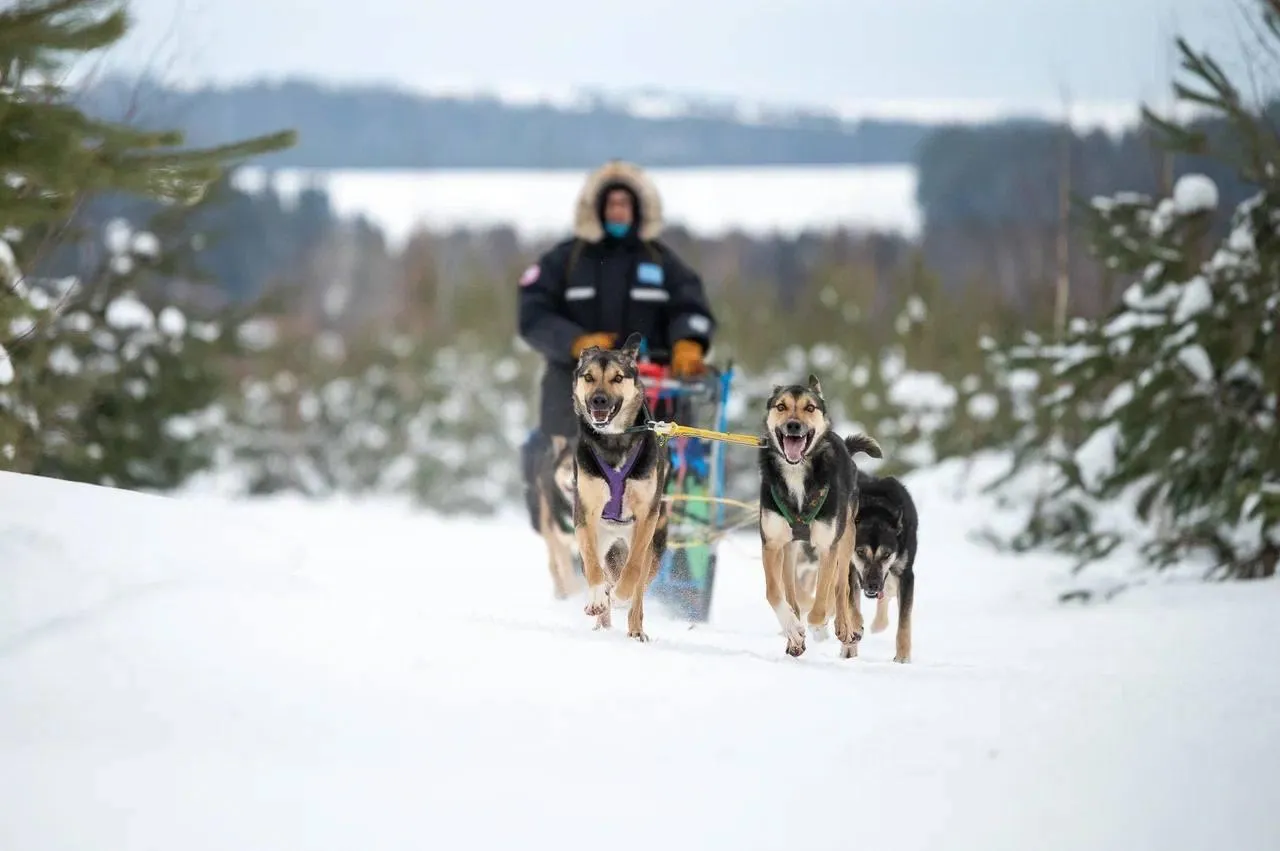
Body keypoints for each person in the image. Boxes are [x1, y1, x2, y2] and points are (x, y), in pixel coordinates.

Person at [517, 159, 717, 518]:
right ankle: (569, 531)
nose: (618, 210)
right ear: (595, 208)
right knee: (554, 461)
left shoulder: (663, 262)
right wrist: (574, 342)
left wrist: (688, 341)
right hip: (572, 388)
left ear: (640, 210)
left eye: (626, 204)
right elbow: (532, 314)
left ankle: (666, 538)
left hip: (653, 386)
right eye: (611, 203)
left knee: (659, 466)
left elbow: (692, 306)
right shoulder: (565, 261)